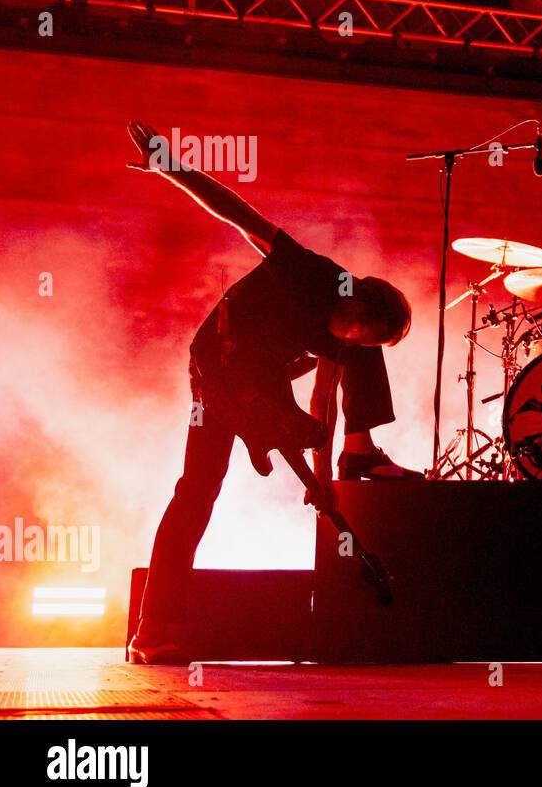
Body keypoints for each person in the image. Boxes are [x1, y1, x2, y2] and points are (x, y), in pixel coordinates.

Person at [124, 120, 419, 665]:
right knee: (197, 491)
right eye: (361, 335)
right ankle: (152, 628)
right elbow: (235, 213)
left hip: (266, 378)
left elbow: (323, 402)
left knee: (307, 416)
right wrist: (171, 167)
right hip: (215, 367)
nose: (355, 346)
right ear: (354, 306)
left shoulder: (344, 341)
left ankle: (350, 447)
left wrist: (325, 476)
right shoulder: (307, 271)